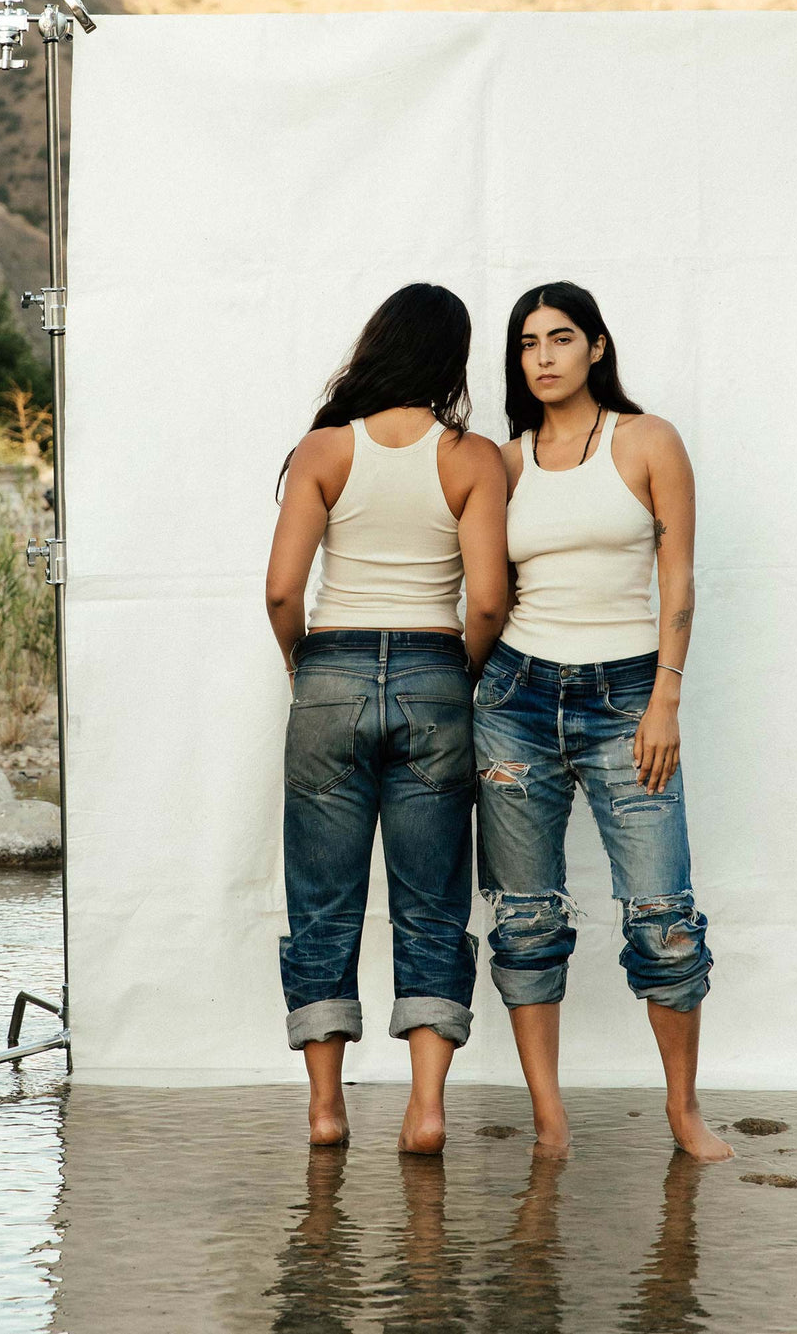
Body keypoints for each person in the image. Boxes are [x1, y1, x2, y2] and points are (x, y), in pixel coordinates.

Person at [473, 281, 732, 1161]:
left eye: (560, 338)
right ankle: (549, 1120)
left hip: (629, 697)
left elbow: (680, 578)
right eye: (527, 343)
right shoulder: (504, 464)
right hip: (515, 700)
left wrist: (666, 696)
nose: (542, 355)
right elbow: (484, 590)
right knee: (526, 917)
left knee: (663, 913)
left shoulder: (648, 440)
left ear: (597, 347)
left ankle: (683, 1109)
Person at [266, 283, 508, 1153]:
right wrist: (456, 670)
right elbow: (487, 599)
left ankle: (327, 1109)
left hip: (329, 671)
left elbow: (282, 588)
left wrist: (308, 664)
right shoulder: (471, 458)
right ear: (451, 359)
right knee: (431, 904)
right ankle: (427, 1109)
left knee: (323, 902)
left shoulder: (325, 449)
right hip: (436, 674)